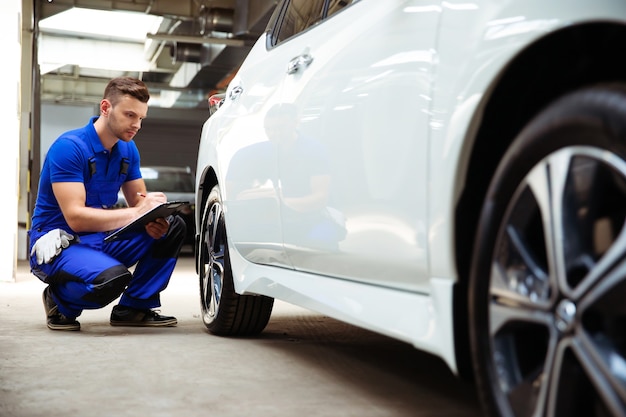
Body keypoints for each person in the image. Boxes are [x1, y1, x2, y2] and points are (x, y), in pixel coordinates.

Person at [28, 76, 187, 331]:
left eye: (141, 118)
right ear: (105, 108)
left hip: (100, 238)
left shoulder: (128, 149)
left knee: (173, 225)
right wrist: (137, 212)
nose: (136, 125)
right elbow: (76, 218)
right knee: (111, 280)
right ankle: (59, 302)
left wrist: (153, 219)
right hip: (60, 243)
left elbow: (140, 205)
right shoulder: (69, 148)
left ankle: (134, 307)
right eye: (130, 115)